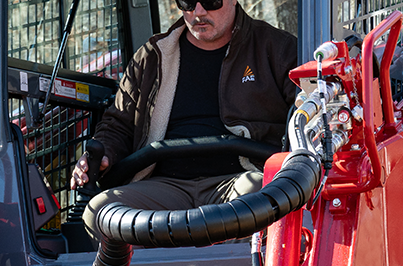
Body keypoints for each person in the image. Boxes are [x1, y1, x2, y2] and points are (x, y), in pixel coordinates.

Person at [70, 0, 298, 233]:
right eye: (187, 2)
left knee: (266, 197)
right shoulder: (151, 56)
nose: (198, 12)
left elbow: (306, 114)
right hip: (166, 187)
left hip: (240, 180)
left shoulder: (278, 49)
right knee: (100, 210)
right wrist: (104, 154)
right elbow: (117, 124)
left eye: (211, 1)